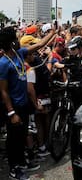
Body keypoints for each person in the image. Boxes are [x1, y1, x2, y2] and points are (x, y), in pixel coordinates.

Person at [0, 26, 55, 180]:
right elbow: (3, 91)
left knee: (22, 136)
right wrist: (11, 113)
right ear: (11, 43)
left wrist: (52, 33)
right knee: (13, 140)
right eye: (16, 38)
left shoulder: (20, 54)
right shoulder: (3, 63)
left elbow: (39, 45)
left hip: (24, 105)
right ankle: (13, 169)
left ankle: (21, 164)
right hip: (14, 108)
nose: (19, 40)